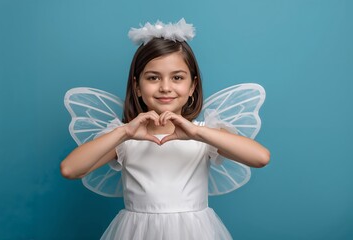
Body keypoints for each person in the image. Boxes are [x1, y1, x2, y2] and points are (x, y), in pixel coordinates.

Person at [61, 19, 270, 240]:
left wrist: (197, 133)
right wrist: (124, 132)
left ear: (192, 87)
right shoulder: (125, 137)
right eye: (153, 78)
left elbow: (260, 157)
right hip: (136, 233)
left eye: (177, 77)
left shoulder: (204, 134)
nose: (165, 87)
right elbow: (70, 169)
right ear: (137, 87)